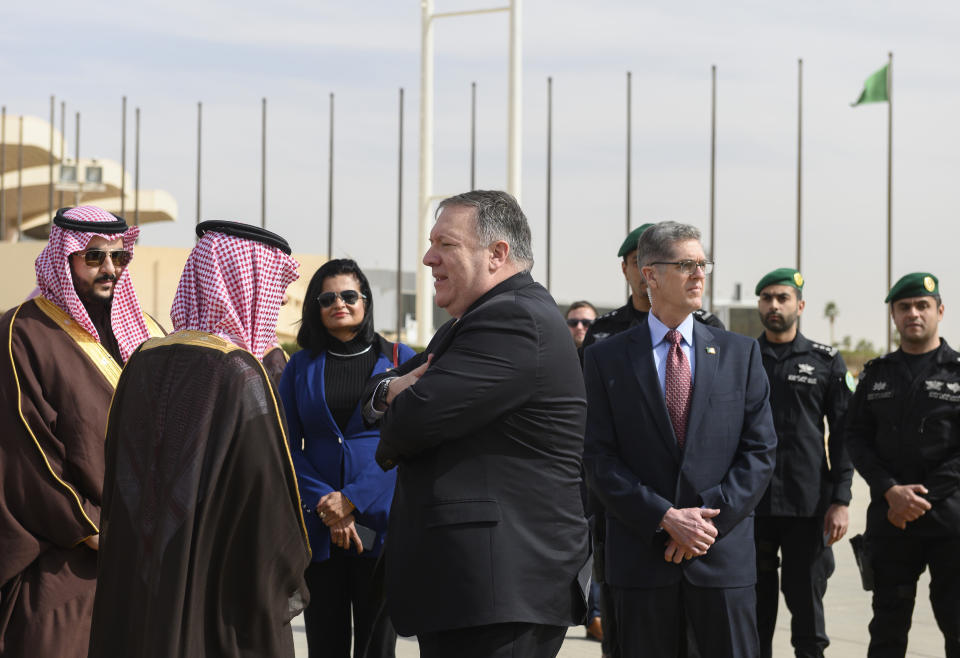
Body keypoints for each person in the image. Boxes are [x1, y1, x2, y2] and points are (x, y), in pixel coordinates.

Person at [361, 190, 590, 658]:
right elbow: (382, 391)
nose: (428, 258)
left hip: (498, 590)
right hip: (475, 590)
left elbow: (412, 421)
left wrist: (398, 393)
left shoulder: (513, 319)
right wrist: (392, 390)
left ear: (497, 254)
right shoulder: (468, 324)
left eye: (446, 244)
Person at [87, 221, 311, 658]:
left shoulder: (142, 360)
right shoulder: (241, 373)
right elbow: (265, 501)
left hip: (140, 580)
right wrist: (287, 569)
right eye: (272, 285)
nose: (279, 299)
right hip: (218, 592)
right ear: (244, 286)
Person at [583, 220, 777, 658]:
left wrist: (703, 524)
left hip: (721, 560)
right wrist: (665, 516)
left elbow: (760, 452)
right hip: (641, 563)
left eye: (703, 263)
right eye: (686, 264)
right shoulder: (605, 358)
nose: (699, 274)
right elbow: (597, 458)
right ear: (649, 275)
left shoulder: (740, 354)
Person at [0, 206, 163, 658]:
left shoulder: (148, 334)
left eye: (119, 258)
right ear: (65, 257)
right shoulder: (24, 330)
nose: (110, 268)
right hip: (62, 551)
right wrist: (91, 527)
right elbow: (24, 447)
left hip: (143, 551)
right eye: (94, 257)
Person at [280, 258, 415, 658]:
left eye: (349, 295)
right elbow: (286, 444)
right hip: (321, 524)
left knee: (378, 645)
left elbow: (408, 440)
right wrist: (330, 505)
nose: (339, 303)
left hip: (383, 523)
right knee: (324, 641)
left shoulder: (397, 358)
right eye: (327, 298)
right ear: (315, 308)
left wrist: (352, 499)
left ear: (366, 301)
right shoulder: (300, 366)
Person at [845, 272, 960, 657]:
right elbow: (856, 437)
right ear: (893, 315)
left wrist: (918, 499)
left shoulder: (957, 372)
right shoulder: (877, 374)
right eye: (904, 307)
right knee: (887, 632)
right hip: (890, 522)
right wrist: (891, 490)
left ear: (939, 311)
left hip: (949, 523)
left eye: (922, 306)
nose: (914, 313)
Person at [753, 268, 854, 658]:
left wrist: (841, 499)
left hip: (807, 505)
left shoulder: (826, 361)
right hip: (752, 504)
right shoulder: (742, 356)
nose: (774, 305)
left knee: (807, 607)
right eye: (767, 298)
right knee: (753, 607)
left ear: (801, 305)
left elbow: (845, 434)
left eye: (782, 298)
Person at [582, 223, 723, 352]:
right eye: (637, 262)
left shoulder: (707, 326)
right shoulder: (603, 328)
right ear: (625, 270)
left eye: (702, 265)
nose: (646, 270)